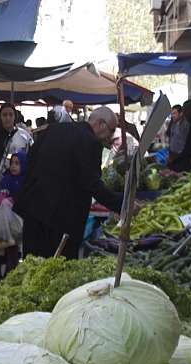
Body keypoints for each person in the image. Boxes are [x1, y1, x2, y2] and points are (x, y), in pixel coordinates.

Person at [13, 107, 125, 260]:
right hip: (61, 221)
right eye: (111, 130)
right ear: (100, 123)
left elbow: (31, 157)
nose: (108, 137)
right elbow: (93, 185)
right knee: (58, 272)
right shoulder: (91, 143)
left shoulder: (55, 129)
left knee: (32, 267)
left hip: (34, 209)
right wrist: (123, 205)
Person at [0, 152, 28, 278]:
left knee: (17, 249)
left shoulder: (26, 180)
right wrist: (2, 198)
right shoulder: (7, 180)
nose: (13, 166)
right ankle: (8, 275)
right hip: (9, 223)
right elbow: (0, 194)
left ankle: (11, 275)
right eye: (12, 163)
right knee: (12, 249)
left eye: (17, 163)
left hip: (22, 220)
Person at [0, 103, 33, 185]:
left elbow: (30, 155)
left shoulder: (24, 136)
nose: (7, 118)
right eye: (4, 115)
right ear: (0, 117)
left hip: (18, 180)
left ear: (15, 117)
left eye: (11, 115)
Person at [165, 104, 190, 169]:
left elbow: (188, 139)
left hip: (181, 156)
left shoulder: (186, 124)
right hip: (173, 154)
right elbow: (171, 138)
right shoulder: (173, 124)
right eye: (172, 114)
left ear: (181, 113)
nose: (173, 116)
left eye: (175, 113)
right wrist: (168, 153)